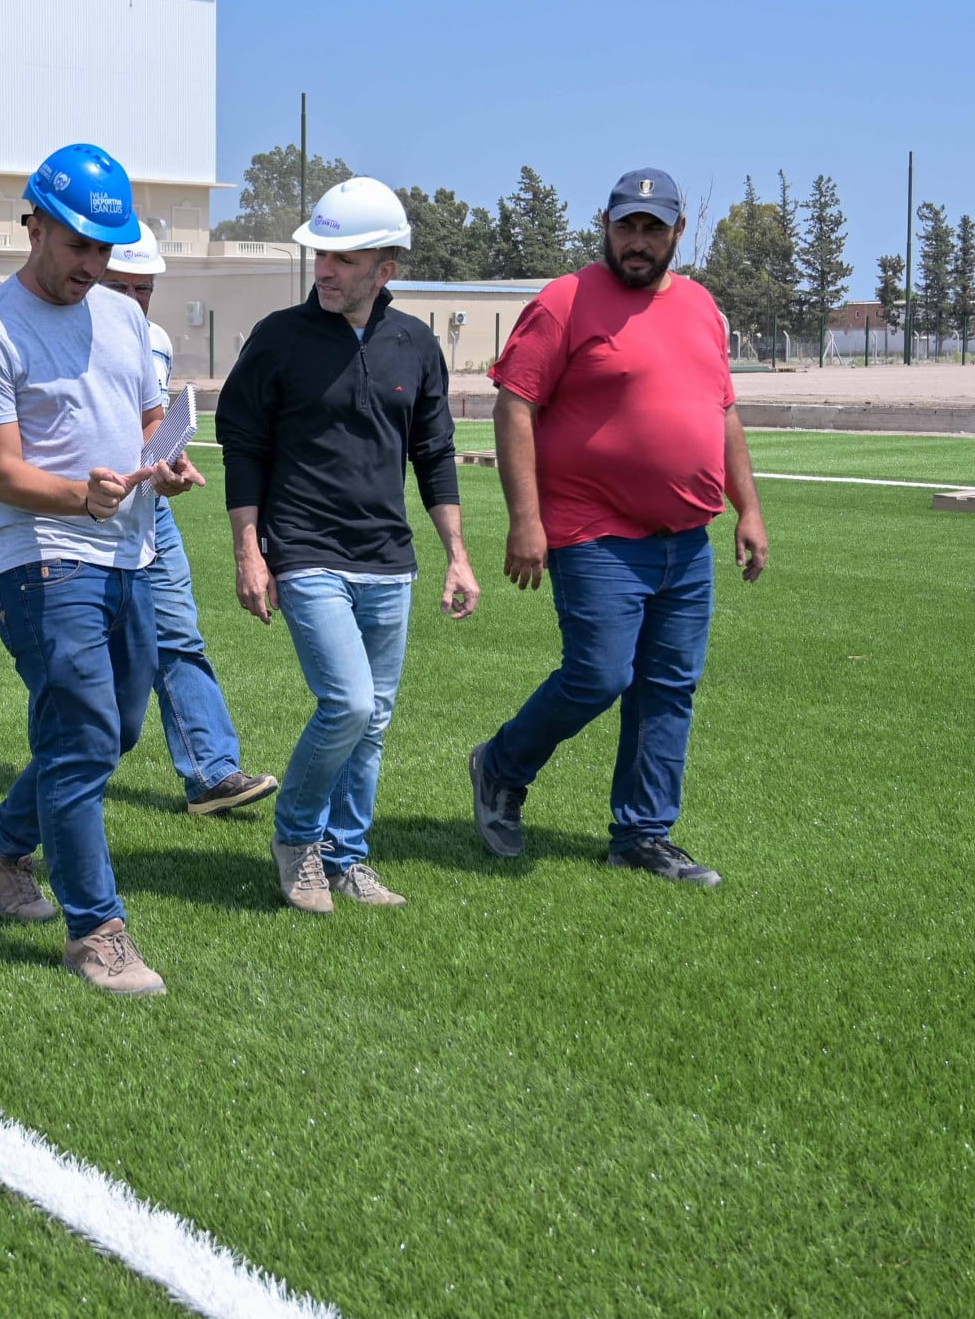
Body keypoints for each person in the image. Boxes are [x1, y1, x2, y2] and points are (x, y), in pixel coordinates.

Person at [467, 169, 769, 885]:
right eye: (626, 226)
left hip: (685, 540)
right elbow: (514, 405)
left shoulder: (700, 306)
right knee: (599, 674)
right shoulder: (565, 301)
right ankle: (500, 765)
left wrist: (748, 507)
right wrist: (525, 520)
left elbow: (722, 412)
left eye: (652, 228)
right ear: (605, 225)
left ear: (677, 234)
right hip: (593, 530)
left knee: (668, 686)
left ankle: (642, 834)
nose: (638, 242)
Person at [0, 143, 196, 995]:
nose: (94, 265)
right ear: (37, 225)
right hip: (42, 559)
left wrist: (164, 462)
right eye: (80, 246)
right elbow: (6, 475)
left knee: (111, 731)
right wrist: (77, 497)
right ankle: (98, 931)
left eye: (106, 249)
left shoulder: (125, 318)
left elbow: (149, 416)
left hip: (131, 548)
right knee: (84, 735)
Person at [216, 176, 478, 915]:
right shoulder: (278, 338)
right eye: (319, 254)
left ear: (384, 268)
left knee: (376, 718)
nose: (324, 269)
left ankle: (347, 855)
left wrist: (456, 553)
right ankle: (297, 837)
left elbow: (434, 451)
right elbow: (241, 444)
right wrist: (248, 550)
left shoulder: (416, 344)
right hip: (305, 550)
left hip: (388, 560)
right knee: (349, 702)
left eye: (342, 257)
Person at [100, 229, 276, 816]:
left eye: (142, 288)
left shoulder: (154, 340)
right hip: (81, 514)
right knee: (80, 655)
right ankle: (65, 765)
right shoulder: (62, 334)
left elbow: (150, 428)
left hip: (151, 509)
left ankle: (211, 772)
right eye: (119, 285)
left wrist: (171, 458)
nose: (132, 298)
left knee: (178, 634)